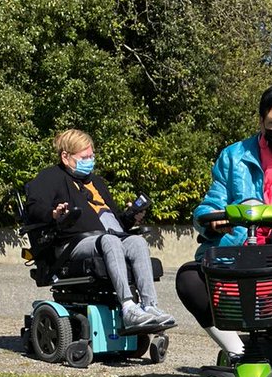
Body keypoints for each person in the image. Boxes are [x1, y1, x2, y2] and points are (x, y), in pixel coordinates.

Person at [179, 83, 272, 366]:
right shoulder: (233, 156)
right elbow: (207, 208)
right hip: (239, 251)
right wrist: (213, 224)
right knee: (189, 278)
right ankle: (238, 352)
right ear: (261, 122)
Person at [25, 130, 175, 330]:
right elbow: (34, 207)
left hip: (109, 237)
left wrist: (130, 216)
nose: (90, 160)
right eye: (84, 157)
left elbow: (114, 223)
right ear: (65, 156)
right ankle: (129, 307)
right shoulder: (50, 177)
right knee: (109, 241)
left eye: (92, 156)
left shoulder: (96, 182)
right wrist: (54, 213)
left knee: (136, 241)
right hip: (72, 243)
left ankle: (150, 306)